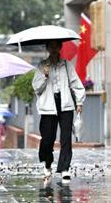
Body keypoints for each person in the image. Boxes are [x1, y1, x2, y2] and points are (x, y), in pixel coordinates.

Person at [32, 40, 85, 181]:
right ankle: (47, 163)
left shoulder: (67, 65)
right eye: (51, 46)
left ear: (60, 48)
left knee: (66, 138)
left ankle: (64, 168)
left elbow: (76, 83)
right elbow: (36, 88)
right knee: (48, 138)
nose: (54, 49)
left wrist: (79, 102)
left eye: (56, 46)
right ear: (48, 48)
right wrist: (44, 75)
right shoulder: (42, 65)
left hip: (65, 104)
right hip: (48, 106)